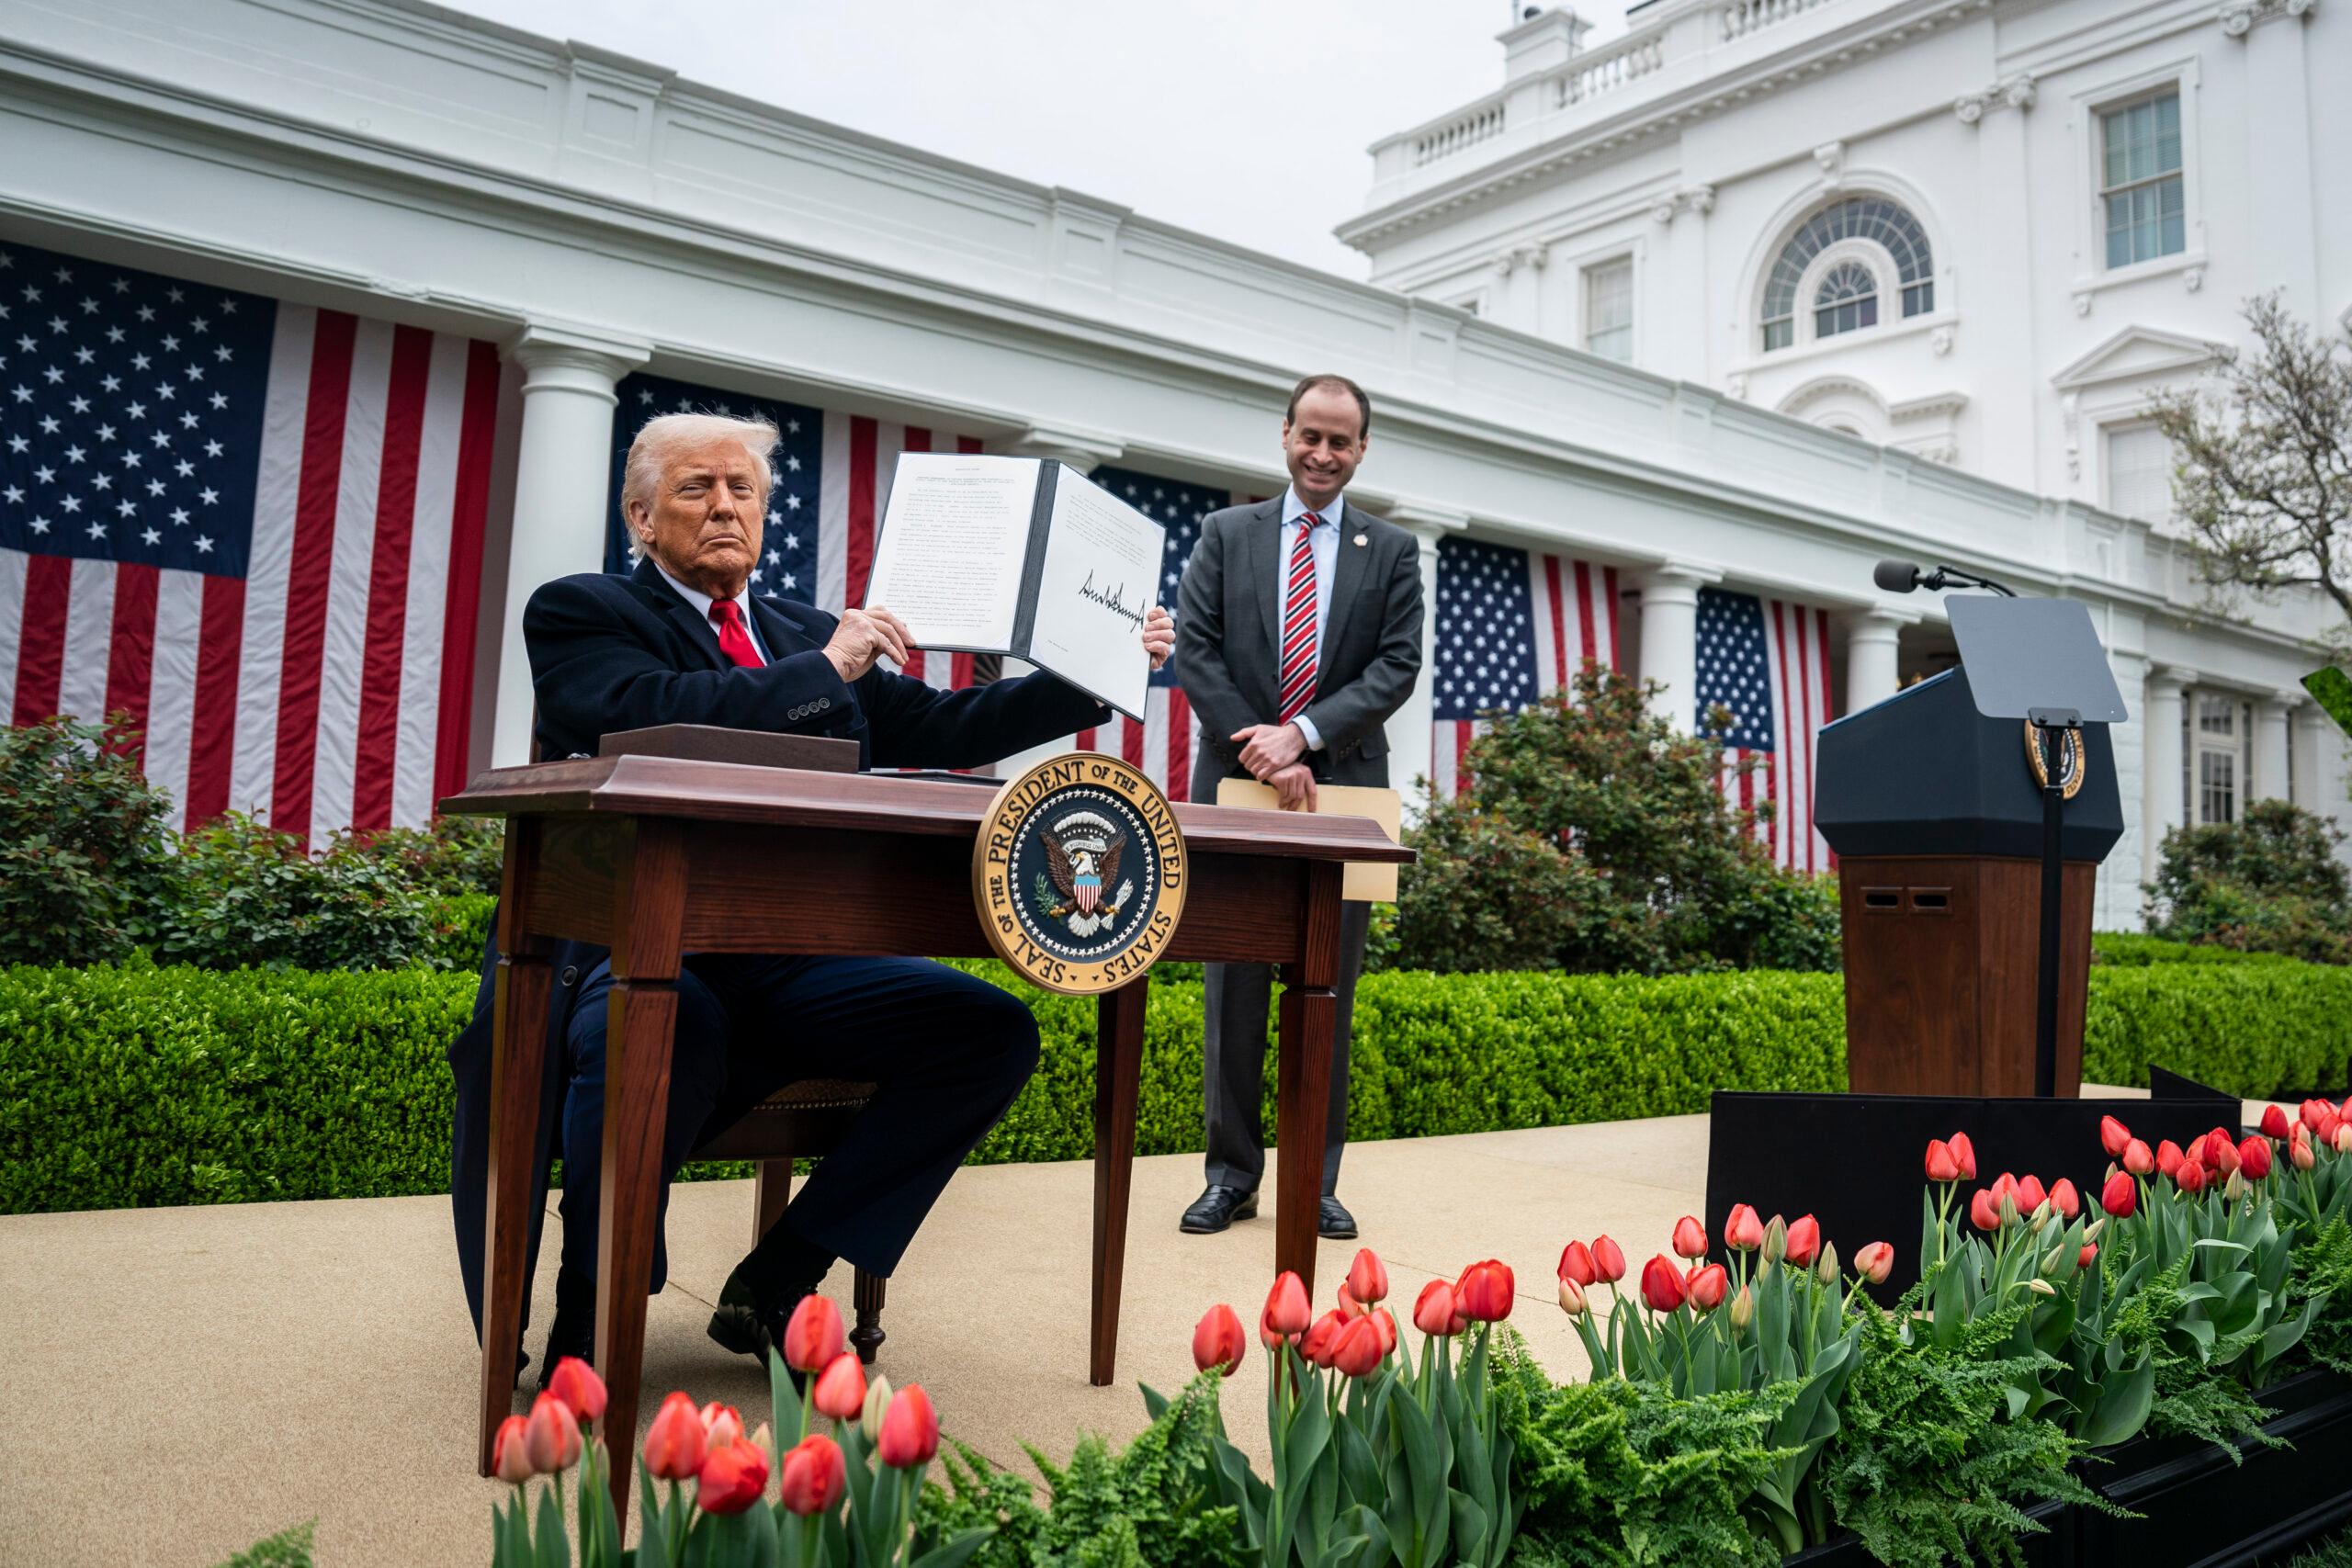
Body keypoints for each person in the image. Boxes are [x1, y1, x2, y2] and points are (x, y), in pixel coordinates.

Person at [447, 412, 1174, 1383]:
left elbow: (949, 725)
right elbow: (643, 715)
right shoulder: (584, 610)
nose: (725, 507)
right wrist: (824, 672)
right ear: (642, 517)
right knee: (664, 1023)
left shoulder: (803, 628)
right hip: (643, 950)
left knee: (989, 1033)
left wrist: (1099, 670)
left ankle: (780, 1278)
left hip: (797, 960)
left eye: (742, 489)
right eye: (697, 488)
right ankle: (590, 1320)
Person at [1171, 373, 1424, 1240]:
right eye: (1310, 435)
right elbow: (1197, 649)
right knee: (1233, 992)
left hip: (1344, 793)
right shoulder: (1225, 534)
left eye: (1339, 441)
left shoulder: (1392, 550)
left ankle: (1312, 1180)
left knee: (1326, 990)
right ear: (1284, 434)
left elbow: (1397, 665)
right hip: (1235, 784)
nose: (1323, 453)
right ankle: (1230, 1178)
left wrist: (1303, 737)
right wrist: (1262, 745)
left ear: (1362, 449)